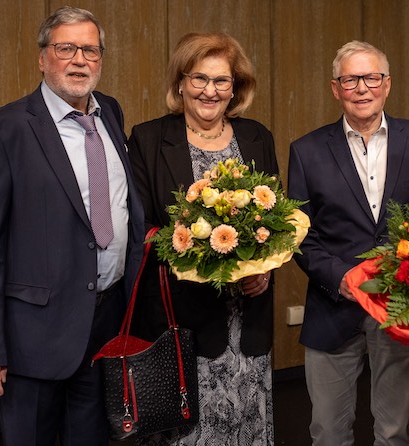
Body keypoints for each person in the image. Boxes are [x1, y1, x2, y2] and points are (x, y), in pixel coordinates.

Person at [0, 7, 145, 446]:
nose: (79, 60)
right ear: (42, 58)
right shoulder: (3, 130)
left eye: (90, 50)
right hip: (34, 338)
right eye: (66, 49)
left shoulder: (110, 113)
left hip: (107, 324)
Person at [287, 40, 409, 446]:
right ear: (335, 88)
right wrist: (340, 278)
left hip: (401, 308)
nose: (362, 88)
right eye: (350, 80)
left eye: (371, 78)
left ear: (387, 84)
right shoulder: (306, 151)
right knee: (327, 432)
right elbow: (299, 233)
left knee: (395, 432)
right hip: (333, 307)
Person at [126, 32, 276, 445]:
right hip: (182, 322)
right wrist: (199, 258)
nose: (210, 91)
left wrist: (263, 270)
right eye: (200, 78)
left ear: (235, 87)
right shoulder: (148, 139)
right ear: (181, 82)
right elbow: (140, 229)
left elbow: (276, 221)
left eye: (221, 80)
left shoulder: (257, 137)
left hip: (247, 322)